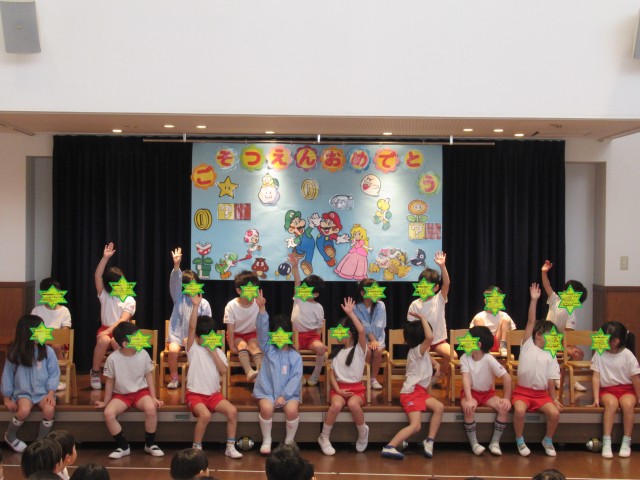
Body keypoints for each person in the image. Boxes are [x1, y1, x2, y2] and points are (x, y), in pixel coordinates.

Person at [94, 322, 164, 459]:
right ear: (125, 344)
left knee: (151, 409)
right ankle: (123, 446)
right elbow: (110, 381)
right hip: (121, 395)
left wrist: (153, 397)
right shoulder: (113, 359)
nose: (140, 339)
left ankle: (150, 444)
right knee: (108, 413)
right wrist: (106, 401)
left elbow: (149, 376)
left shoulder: (143, 354)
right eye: (136, 337)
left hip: (141, 393)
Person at [381, 310, 444, 460]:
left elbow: (429, 362)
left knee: (439, 407)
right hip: (411, 393)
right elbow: (430, 337)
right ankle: (389, 447)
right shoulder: (417, 351)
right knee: (416, 426)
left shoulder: (423, 351)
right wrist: (422, 317)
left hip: (420, 392)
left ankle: (429, 440)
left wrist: (436, 365)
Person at [185, 294, 241, 457]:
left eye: (211, 335)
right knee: (205, 415)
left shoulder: (218, 352)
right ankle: (196, 447)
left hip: (214, 396)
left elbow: (223, 370)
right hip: (195, 395)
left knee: (232, 411)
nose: (207, 339)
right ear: (197, 337)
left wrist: (213, 353)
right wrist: (196, 306)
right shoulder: (193, 348)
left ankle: (230, 446)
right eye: (204, 336)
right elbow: (191, 327)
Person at [512, 283, 563, 457]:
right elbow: (531, 321)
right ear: (539, 335)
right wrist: (534, 300)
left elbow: (551, 379)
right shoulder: (527, 345)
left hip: (541, 395)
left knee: (554, 414)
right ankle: (520, 440)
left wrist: (553, 398)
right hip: (523, 392)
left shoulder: (551, 354)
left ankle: (547, 440)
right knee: (519, 411)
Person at [253, 290, 302, 455]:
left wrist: (284, 396)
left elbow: (296, 378)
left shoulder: (295, 356)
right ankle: (267, 439)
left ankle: (289, 441)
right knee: (266, 409)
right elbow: (261, 332)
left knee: (292, 411)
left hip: (289, 393)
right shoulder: (268, 349)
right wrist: (261, 309)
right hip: (267, 390)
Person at [318, 297, 370, 456]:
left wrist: (351, 313)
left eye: (342, 330)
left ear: (350, 332)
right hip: (339, 389)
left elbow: (362, 331)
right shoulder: (336, 353)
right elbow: (332, 375)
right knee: (335, 406)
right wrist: (338, 391)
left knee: (354, 405)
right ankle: (324, 437)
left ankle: (363, 433)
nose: (338, 334)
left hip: (356, 389)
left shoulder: (360, 350)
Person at [2, 315, 60, 452]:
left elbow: (54, 373)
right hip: (23, 392)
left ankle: (40, 441)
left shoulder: (48, 351)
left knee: (49, 410)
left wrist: (51, 393)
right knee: (23, 410)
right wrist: (6, 398)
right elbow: (7, 375)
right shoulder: (15, 353)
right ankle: (10, 436)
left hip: (43, 393)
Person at [590, 321, 640, 458]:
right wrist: (596, 398)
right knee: (611, 404)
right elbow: (596, 377)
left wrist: (639, 396)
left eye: (611, 339)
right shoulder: (599, 354)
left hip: (627, 389)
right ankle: (607, 442)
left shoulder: (628, 355)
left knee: (628, 404)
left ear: (618, 340)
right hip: (607, 390)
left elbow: (635, 379)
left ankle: (626, 441)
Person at [460, 326, 512, 456]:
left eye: (468, 339)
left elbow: (507, 378)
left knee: (503, 408)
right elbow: (465, 378)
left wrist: (506, 398)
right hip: (470, 393)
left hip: (487, 394)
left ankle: (495, 442)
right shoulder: (465, 357)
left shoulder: (489, 358)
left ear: (478, 344)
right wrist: (469, 399)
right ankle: (474, 444)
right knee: (469, 408)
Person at [91, 242, 136, 390]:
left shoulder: (130, 299)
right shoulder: (105, 294)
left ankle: (123, 376)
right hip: (105, 328)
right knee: (104, 341)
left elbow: (123, 320)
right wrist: (105, 258)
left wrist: (109, 331)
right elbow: (97, 276)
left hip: (121, 331)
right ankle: (95, 372)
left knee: (117, 343)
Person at [167, 247, 212, 389]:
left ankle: (196, 379)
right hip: (177, 336)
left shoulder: (204, 303)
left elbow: (207, 325)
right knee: (173, 351)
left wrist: (195, 337)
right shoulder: (178, 298)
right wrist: (176, 265)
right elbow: (175, 283)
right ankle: (174, 378)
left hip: (197, 337)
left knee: (197, 351)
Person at [541, 260, 588, 392]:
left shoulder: (570, 311)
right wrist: (544, 272)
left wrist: (570, 349)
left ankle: (572, 379)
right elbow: (546, 285)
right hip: (547, 337)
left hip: (557, 340)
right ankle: (557, 378)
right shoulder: (555, 299)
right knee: (572, 352)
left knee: (578, 353)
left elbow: (569, 334)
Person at [406, 251, 452, 386]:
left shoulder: (439, 299)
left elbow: (447, 284)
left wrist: (442, 266)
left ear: (436, 287)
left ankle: (437, 377)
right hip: (422, 342)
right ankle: (428, 374)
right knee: (422, 355)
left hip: (438, 341)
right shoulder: (415, 304)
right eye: (421, 285)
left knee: (452, 355)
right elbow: (411, 327)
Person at [288, 253, 327, 386]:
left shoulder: (319, 307)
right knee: (289, 350)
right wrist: (295, 266)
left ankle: (315, 375)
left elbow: (319, 328)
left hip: (311, 337)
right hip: (295, 336)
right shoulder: (298, 298)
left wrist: (318, 341)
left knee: (321, 349)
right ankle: (298, 376)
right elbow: (297, 281)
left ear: (315, 294)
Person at [224, 270, 262, 382]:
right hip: (236, 334)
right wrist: (231, 345)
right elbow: (230, 329)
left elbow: (262, 324)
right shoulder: (231, 305)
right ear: (239, 290)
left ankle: (261, 372)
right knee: (242, 345)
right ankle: (249, 372)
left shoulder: (257, 303)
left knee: (254, 346)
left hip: (252, 333)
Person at [32, 277, 72, 372]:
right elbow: (34, 331)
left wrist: (54, 340)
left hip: (59, 343)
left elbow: (65, 332)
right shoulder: (37, 310)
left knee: (56, 346)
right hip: (41, 341)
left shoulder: (64, 311)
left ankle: (61, 370)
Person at [353, 278, 387, 390]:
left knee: (377, 352)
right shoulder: (356, 307)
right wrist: (371, 340)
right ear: (363, 293)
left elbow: (379, 323)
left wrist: (375, 341)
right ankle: (364, 377)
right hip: (364, 338)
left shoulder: (380, 305)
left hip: (379, 337)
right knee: (366, 352)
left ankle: (373, 379)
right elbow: (363, 324)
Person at [469, 286, 516, 357]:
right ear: (485, 301)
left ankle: (503, 347)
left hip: (499, 341)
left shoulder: (504, 315)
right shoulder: (480, 315)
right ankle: (485, 349)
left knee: (506, 320)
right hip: (485, 343)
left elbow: (512, 332)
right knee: (478, 319)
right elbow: (473, 333)